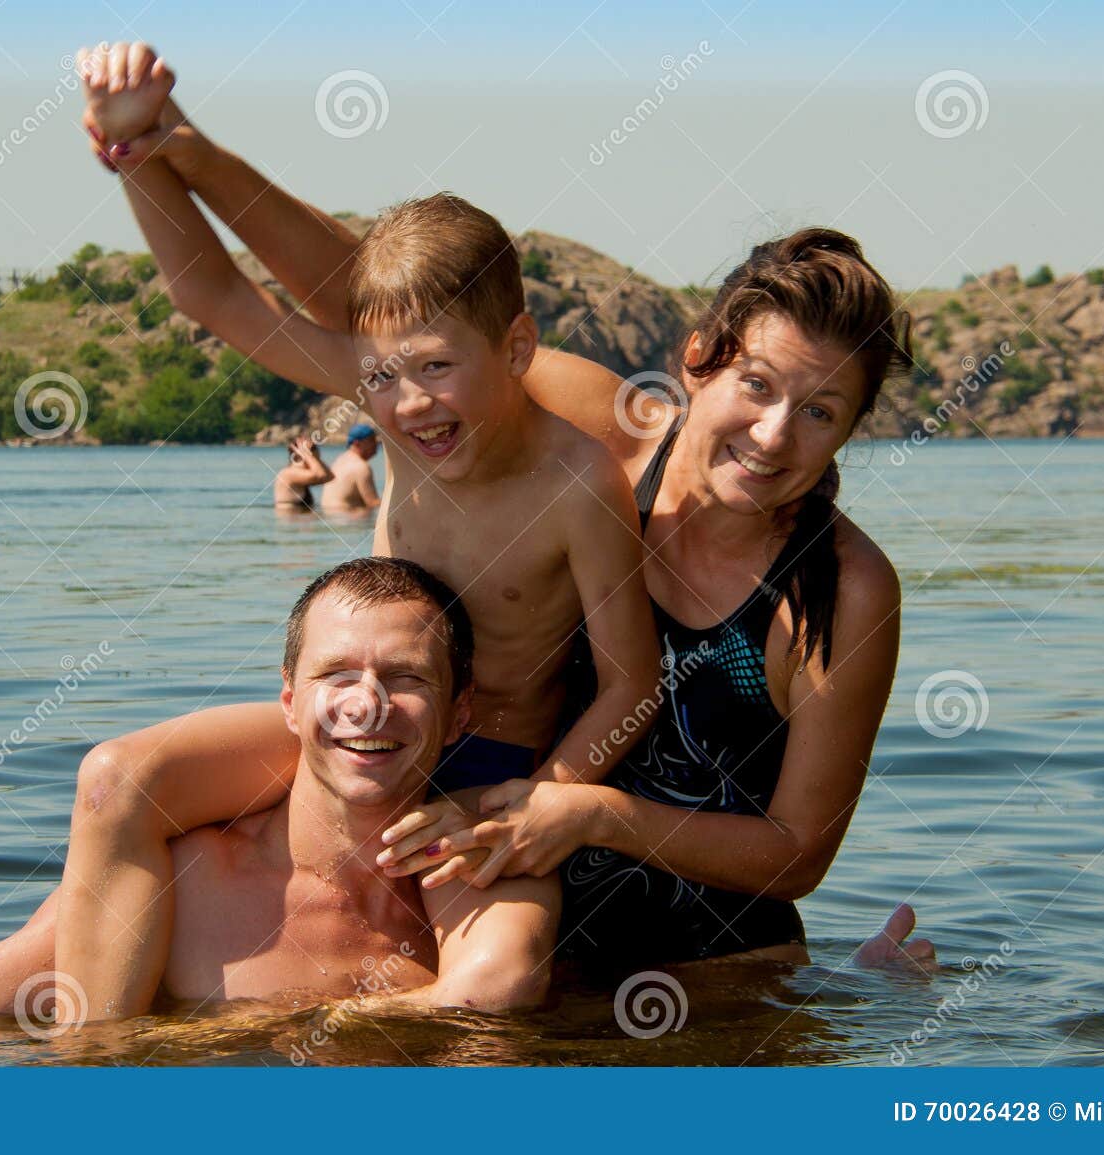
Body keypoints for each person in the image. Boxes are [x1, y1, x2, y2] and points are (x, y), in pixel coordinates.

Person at [73, 43, 936, 994]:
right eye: (757, 386)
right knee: (118, 799)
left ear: (854, 426)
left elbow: (796, 853)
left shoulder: (839, 587)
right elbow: (367, 300)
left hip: (705, 970)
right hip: (483, 833)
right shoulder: (591, 426)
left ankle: (858, 981)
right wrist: (168, 146)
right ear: (698, 360)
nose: (774, 437)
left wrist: (576, 809)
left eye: (821, 412)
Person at [62, 42, 663, 1021]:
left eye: (433, 367)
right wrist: (145, 154)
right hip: (360, 724)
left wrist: (542, 799)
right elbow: (210, 295)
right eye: (379, 375)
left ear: (515, 349)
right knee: (120, 776)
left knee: (494, 996)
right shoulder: (398, 414)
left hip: (483, 756)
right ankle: (93, 1060)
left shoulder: (576, 478)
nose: (407, 403)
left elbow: (633, 682)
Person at [0, 558, 553, 1017]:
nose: (367, 703)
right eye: (335, 674)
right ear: (288, 702)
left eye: (405, 677)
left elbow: (498, 999)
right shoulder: (170, 887)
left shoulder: (479, 886)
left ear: (459, 714)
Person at [320, 422, 381, 512]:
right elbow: (373, 503)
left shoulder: (339, 460)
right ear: (357, 443)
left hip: (330, 517)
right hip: (349, 521)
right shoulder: (361, 467)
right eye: (372, 440)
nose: (377, 444)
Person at [273, 434, 332, 510]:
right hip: (291, 519)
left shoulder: (302, 473)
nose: (317, 451)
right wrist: (307, 454)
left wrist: (315, 458)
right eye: (314, 448)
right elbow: (321, 475)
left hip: (298, 518)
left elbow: (329, 477)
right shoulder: (288, 473)